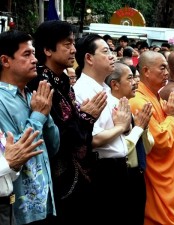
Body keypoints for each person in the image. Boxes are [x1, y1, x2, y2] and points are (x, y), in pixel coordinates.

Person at [27, 20, 107, 225]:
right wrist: (86, 118)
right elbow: (59, 136)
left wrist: (85, 119)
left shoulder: (62, 80)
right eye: (67, 44)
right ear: (47, 49)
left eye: (74, 43)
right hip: (58, 179)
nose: (73, 50)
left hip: (79, 177)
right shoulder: (40, 83)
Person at [0, 30, 60, 225]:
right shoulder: (1, 100)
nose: (35, 60)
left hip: (45, 204)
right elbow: (16, 151)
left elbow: (53, 146)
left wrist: (45, 115)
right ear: (5, 61)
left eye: (34, 53)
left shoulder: (32, 96)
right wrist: (37, 116)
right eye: (27, 54)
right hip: (17, 209)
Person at [73, 34, 132, 224]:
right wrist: (121, 126)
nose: (112, 55)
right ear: (89, 58)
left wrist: (125, 125)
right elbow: (94, 138)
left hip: (118, 166)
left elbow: (123, 126)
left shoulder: (105, 90)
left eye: (111, 51)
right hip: (102, 170)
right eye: (105, 51)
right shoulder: (82, 90)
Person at [129, 51, 174, 225]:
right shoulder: (138, 102)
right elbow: (161, 142)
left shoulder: (157, 99)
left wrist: (171, 117)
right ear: (146, 71)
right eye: (162, 68)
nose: (167, 73)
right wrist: (172, 117)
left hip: (173, 178)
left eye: (167, 68)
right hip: (159, 181)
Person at [105, 62, 154, 225]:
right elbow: (119, 147)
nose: (135, 83)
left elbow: (148, 147)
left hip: (138, 173)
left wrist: (143, 128)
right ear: (115, 84)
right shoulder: (109, 109)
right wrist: (138, 128)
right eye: (130, 78)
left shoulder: (128, 107)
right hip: (120, 173)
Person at [0, 128, 44, 225]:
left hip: (8, 207)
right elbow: (7, 163)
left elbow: (8, 176)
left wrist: (15, 166)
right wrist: (6, 164)